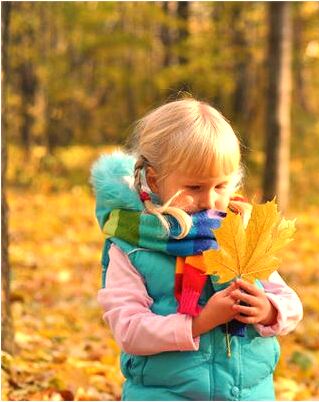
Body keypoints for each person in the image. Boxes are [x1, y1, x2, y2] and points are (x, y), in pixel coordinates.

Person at [90, 97, 303, 400]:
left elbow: (290, 303)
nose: (210, 201)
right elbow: (129, 329)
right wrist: (201, 322)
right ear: (155, 180)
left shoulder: (239, 232)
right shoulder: (131, 244)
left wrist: (268, 310)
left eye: (221, 186)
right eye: (194, 188)